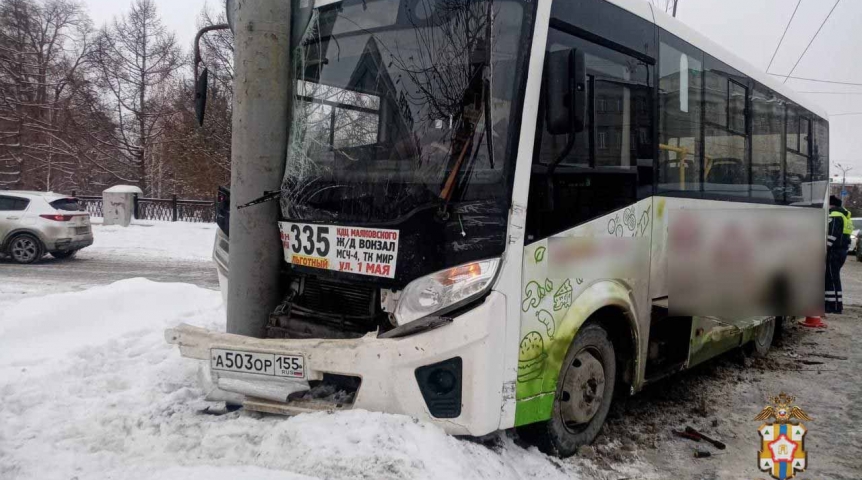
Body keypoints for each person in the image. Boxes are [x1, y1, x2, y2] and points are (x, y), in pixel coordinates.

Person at [826, 195, 849, 314]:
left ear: (831, 204)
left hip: (834, 251)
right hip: (840, 251)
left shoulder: (835, 216)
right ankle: (833, 304)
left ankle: (834, 306)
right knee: (832, 278)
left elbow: (832, 234)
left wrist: (825, 247)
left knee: (832, 278)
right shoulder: (843, 215)